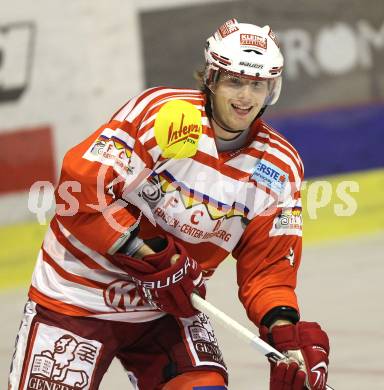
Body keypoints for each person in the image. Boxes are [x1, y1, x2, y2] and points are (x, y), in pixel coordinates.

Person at [9, 18, 330, 390]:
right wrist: (143, 252)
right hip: (77, 293)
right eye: (235, 81)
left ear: (272, 89)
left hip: (167, 309)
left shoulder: (279, 166)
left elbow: (268, 269)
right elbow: (80, 190)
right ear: (211, 79)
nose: (246, 96)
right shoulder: (160, 114)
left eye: (258, 84)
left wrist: (285, 337)